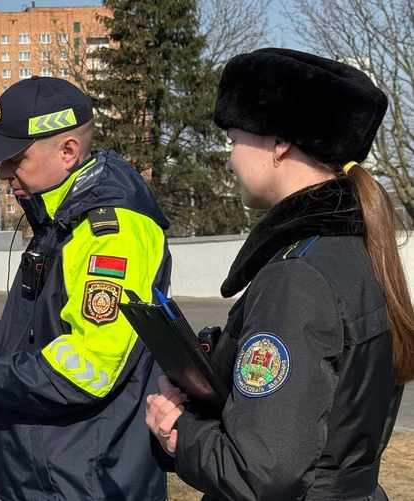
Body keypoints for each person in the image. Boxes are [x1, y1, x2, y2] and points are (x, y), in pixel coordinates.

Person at [146, 48, 414, 500]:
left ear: (279, 143)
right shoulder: (353, 248)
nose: (230, 158)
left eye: (233, 139)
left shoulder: (297, 277)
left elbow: (261, 473)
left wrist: (178, 433)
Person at [0, 77, 172, 500]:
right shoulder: (57, 222)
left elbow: (84, 371)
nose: (3, 172)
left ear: (68, 152)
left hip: (85, 480)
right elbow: (39, 338)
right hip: (41, 474)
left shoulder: (111, 234)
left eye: (15, 158)